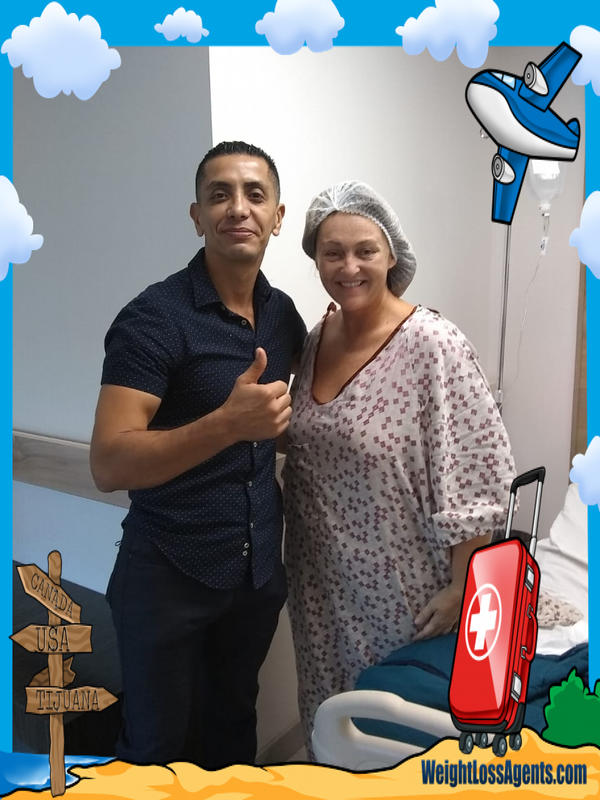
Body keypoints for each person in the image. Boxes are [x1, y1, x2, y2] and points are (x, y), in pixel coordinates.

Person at [90, 141, 306, 768]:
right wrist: (226, 425)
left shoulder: (283, 317)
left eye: (254, 195)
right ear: (196, 216)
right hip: (166, 576)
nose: (237, 208)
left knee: (233, 731)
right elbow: (109, 464)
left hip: (257, 574)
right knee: (153, 751)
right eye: (219, 195)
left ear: (277, 217)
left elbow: (285, 418)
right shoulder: (153, 319)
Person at [282, 181, 516, 751]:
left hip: (402, 585)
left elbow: (477, 471)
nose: (349, 266)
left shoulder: (433, 345)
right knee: (332, 723)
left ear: (392, 255)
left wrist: (462, 585)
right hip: (319, 582)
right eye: (333, 252)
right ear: (316, 259)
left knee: (398, 730)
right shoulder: (314, 340)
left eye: (365, 250)